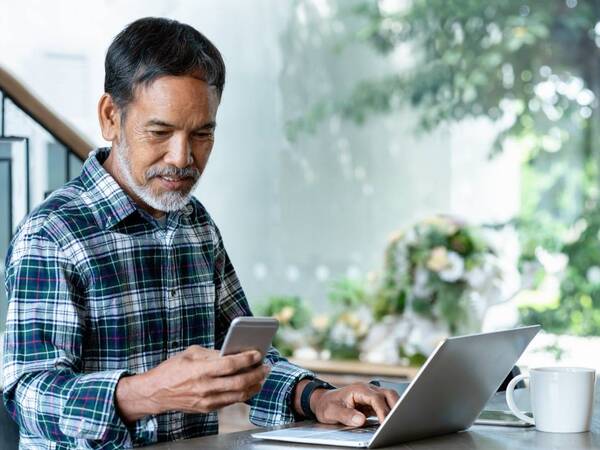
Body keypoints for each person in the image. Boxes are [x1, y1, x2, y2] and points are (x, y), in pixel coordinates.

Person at [2, 17, 399, 449]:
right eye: (160, 131)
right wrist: (146, 393)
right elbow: (29, 395)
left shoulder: (196, 223)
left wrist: (318, 397)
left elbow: (245, 361)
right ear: (110, 117)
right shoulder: (53, 233)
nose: (182, 157)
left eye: (202, 133)